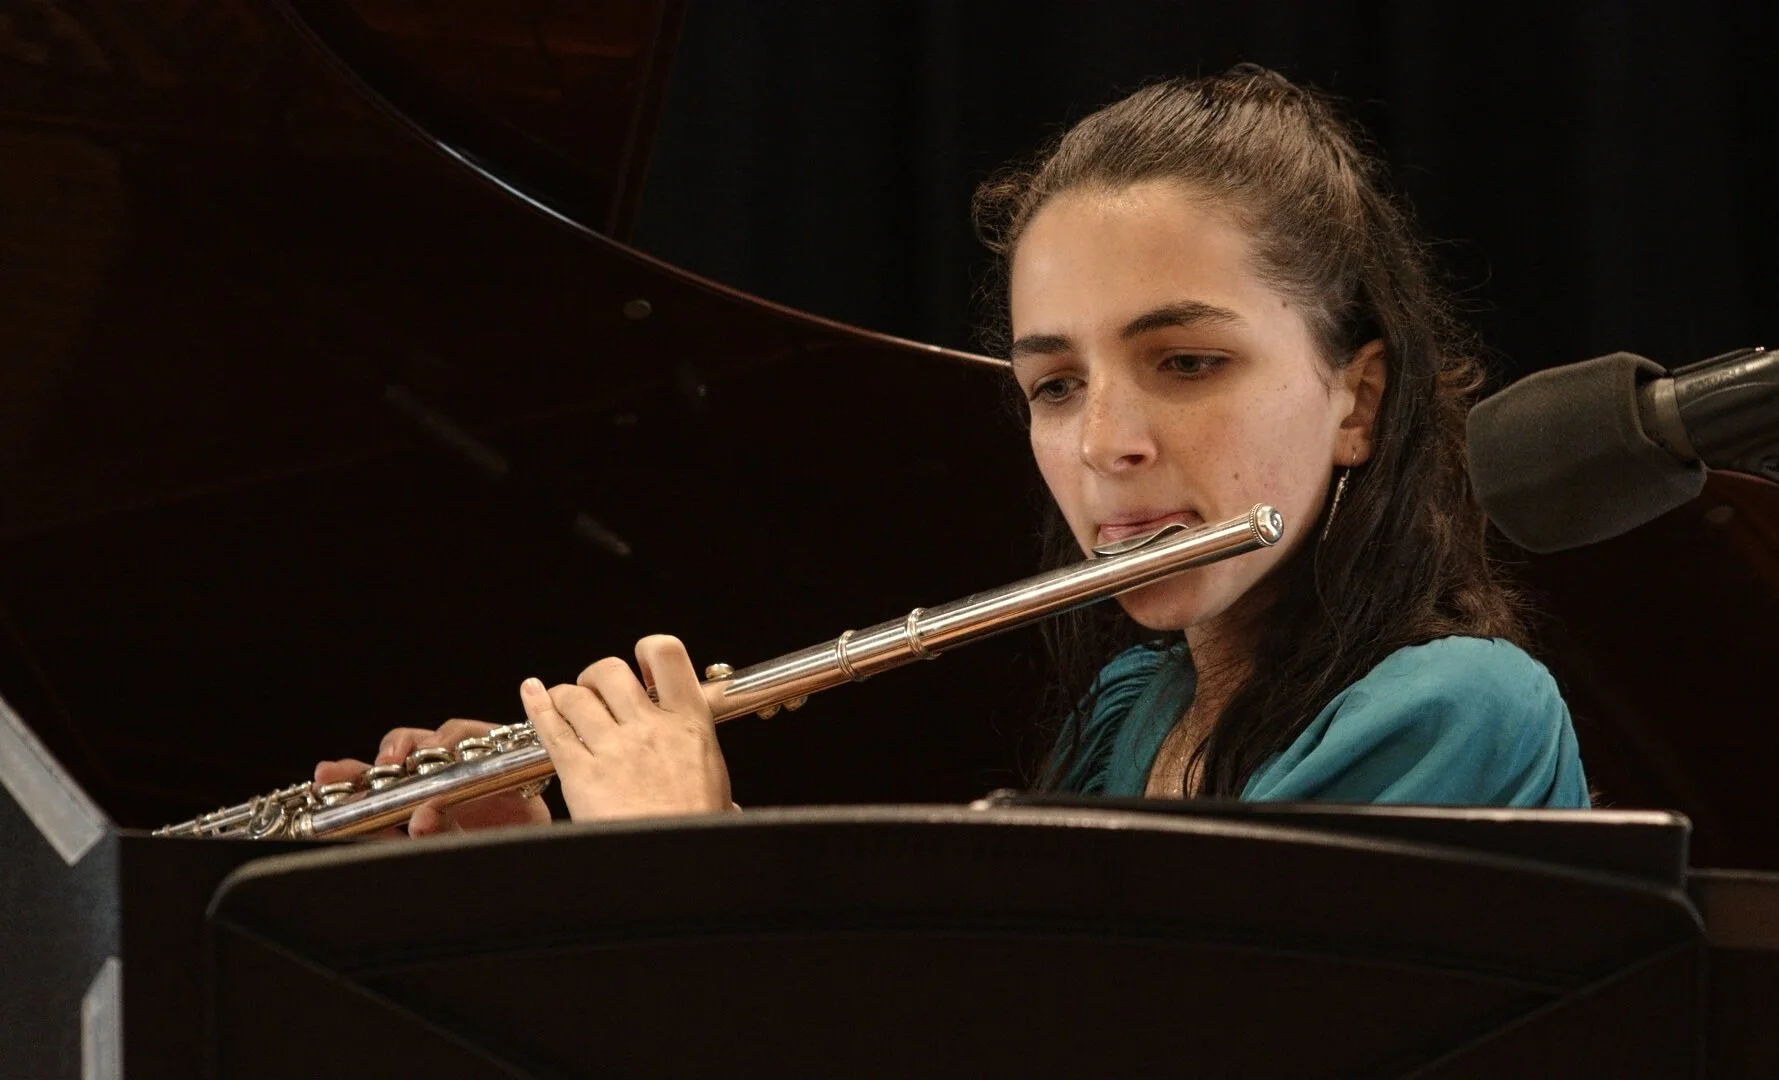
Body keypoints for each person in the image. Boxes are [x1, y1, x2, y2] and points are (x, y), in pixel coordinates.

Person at [316, 64, 1588, 835]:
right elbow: (981, 1018)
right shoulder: (1132, 707)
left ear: (1358, 400)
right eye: (1053, 383)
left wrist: (682, 858)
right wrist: (537, 877)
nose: (1106, 443)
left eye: (1188, 363)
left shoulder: (1456, 710)